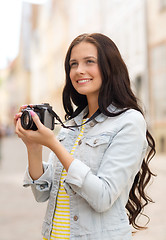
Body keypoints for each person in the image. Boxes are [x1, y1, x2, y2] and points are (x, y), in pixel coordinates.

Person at [14, 33, 156, 240]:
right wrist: (33, 147)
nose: (79, 70)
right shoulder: (71, 124)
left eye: (89, 61)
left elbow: (103, 197)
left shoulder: (129, 121)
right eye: (73, 64)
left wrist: (53, 143)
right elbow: (42, 194)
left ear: (110, 67)